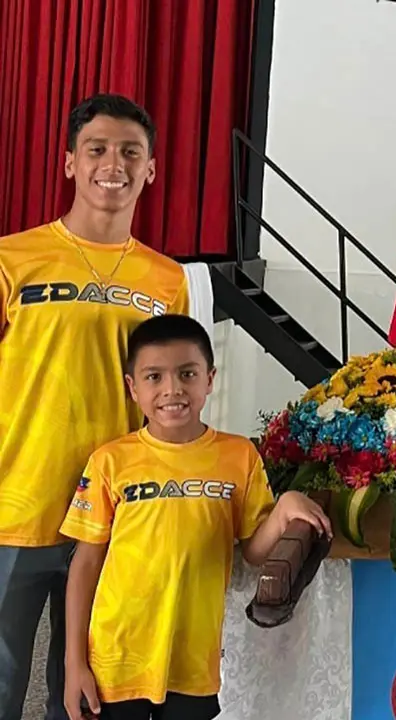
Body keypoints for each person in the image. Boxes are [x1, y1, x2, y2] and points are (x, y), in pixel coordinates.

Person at [0, 94, 191, 720]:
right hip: (15, 509)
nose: (115, 163)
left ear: (151, 169)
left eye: (131, 151)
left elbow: (171, 400)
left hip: (114, 520)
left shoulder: (168, 280)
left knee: (89, 700)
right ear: (69, 163)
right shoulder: (13, 258)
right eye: (98, 149)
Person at [59, 314, 332, 720]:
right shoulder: (110, 462)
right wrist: (73, 662)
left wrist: (284, 509)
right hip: (115, 661)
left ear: (209, 379)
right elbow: (86, 563)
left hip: (193, 663)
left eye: (187, 373)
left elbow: (254, 553)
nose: (172, 389)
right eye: (154, 377)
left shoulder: (238, 456)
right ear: (132, 388)